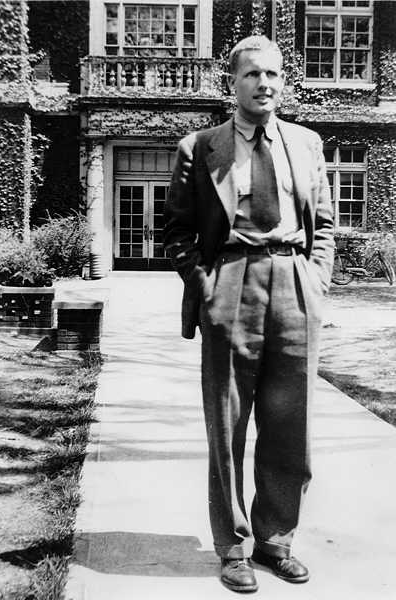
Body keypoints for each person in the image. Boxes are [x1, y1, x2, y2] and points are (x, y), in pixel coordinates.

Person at [163, 35, 334, 593]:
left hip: (294, 282)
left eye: (275, 75)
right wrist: (207, 287)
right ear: (230, 82)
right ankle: (233, 547)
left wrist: (316, 280)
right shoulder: (201, 146)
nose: (266, 84)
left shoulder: (307, 143)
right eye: (253, 75)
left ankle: (276, 539)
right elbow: (176, 234)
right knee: (227, 424)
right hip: (231, 281)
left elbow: (324, 225)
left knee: (291, 425)